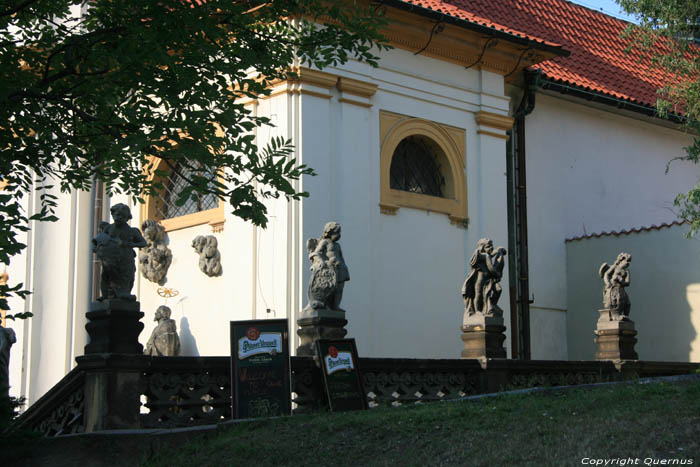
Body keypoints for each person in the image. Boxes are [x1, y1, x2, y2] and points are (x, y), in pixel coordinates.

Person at [92, 203, 147, 300]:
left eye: (123, 216)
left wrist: (128, 244)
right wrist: (97, 247)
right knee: (106, 276)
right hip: (110, 258)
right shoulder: (108, 228)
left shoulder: (132, 231)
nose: (119, 218)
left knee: (125, 276)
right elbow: (100, 239)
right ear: (113, 215)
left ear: (127, 218)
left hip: (125, 259)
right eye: (117, 215)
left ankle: (124, 294)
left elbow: (143, 243)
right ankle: (105, 295)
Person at [307, 222, 350, 311]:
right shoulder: (325, 242)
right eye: (336, 233)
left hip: (340, 268)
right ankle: (325, 304)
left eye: (339, 233)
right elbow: (316, 253)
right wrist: (322, 261)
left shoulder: (337, 245)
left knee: (339, 289)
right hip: (330, 270)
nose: (338, 235)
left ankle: (336, 306)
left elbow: (341, 256)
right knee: (330, 288)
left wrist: (344, 268)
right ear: (329, 232)